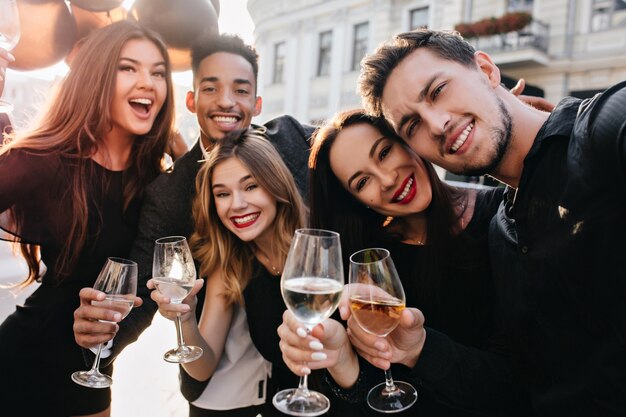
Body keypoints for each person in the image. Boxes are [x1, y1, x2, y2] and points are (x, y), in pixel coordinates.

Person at [350, 28, 626, 416]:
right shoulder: (502, 231)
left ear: (486, 69)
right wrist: (419, 349)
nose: (437, 123)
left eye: (438, 90)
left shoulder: (603, 127)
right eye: (412, 126)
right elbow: (517, 384)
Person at [72, 33, 314, 413]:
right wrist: (102, 339)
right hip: (221, 383)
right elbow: (143, 287)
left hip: (306, 381)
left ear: (257, 102)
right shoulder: (169, 193)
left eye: (240, 90)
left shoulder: (293, 143)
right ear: (191, 100)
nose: (227, 102)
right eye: (211, 88)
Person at [277, 109, 529, 416]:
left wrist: (423, 350)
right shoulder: (367, 261)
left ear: (407, 140)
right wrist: (344, 363)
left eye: (384, 152)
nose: (387, 179)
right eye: (362, 182)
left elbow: (526, 384)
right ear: (356, 201)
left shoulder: (505, 216)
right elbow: (379, 398)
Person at [0, 20, 175, 417]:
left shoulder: (157, 179)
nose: (148, 82)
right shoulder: (46, 159)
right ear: (97, 76)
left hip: (94, 368)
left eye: (158, 72)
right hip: (25, 361)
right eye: (128, 67)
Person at [148, 129, 306, 416]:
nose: (237, 204)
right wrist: (185, 319)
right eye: (222, 193)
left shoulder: (316, 248)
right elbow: (201, 367)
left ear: (275, 184)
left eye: (251, 186)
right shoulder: (232, 262)